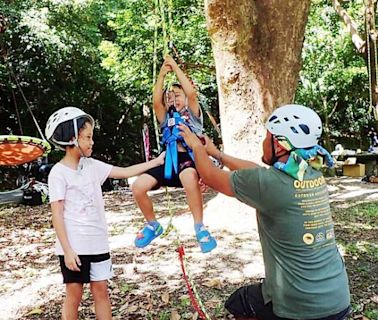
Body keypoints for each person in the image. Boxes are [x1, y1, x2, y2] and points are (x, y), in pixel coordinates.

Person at [179, 104, 351, 320]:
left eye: (266, 136)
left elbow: (211, 176)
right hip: (337, 299)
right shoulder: (310, 172)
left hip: (300, 307)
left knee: (239, 302)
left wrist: (195, 146)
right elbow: (256, 173)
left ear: (279, 145)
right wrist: (216, 153)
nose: (263, 142)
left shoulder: (270, 184)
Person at [45, 106, 165, 320]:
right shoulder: (58, 173)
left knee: (101, 290)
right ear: (72, 139)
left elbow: (125, 171)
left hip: (97, 242)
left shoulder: (92, 166)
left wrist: (156, 162)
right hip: (74, 247)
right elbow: (57, 214)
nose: (92, 142)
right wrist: (67, 250)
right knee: (74, 294)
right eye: (87, 137)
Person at [131, 55, 217, 253]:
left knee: (189, 178)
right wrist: (162, 73)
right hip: (167, 161)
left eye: (177, 95)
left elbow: (192, 94)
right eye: (170, 96)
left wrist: (175, 67)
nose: (173, 98)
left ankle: (199, 226)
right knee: (138, 187)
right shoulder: (165, 118)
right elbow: (156, 103)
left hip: (187, 161)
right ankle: (153, 224)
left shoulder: (192, 115)